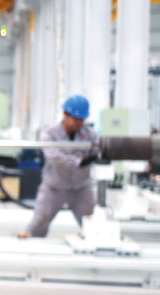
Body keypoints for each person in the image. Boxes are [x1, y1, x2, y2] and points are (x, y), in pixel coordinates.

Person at [20, 95, 100, 239]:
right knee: (39, 221)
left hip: (81, 188)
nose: (79, 122)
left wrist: (98, 155)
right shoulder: (50, 133)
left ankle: (94, 247)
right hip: (54, 187)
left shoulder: (89, 134)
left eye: (82, 119)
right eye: (76, 118)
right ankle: (30, 244)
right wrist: (79, 162)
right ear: (65, 115)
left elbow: (97, 151)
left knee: (91, 225)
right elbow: (54, 156)